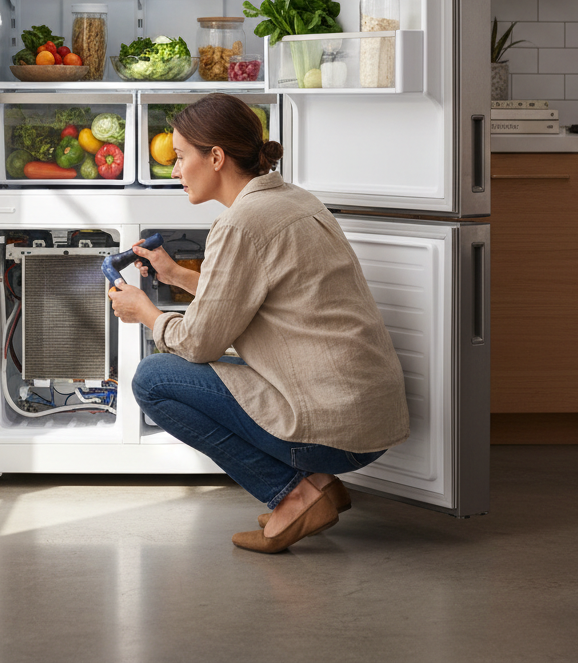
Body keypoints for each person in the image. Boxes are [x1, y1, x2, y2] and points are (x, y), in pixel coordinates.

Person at [108, 93, 409, 554]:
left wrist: (145, 313)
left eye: (180, 157)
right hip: (368, 421)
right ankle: (318, 485)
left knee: (153, 379)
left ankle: (294, 494)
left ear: (215, 157)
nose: (174, 170)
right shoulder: (292, 199)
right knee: (191, 369)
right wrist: (173, 275)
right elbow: (250, 295)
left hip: (332, 430)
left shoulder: (240, 224)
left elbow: (199, 343)